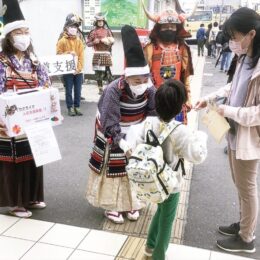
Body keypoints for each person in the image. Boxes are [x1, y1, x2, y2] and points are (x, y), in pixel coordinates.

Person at [195, 7, 260, 253]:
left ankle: (247, 239)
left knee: (247, 187)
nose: (232, 41)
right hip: (234, 132)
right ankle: (244, 224)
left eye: (235, 36)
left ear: (251, 34)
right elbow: (232, 88)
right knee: (240, 185)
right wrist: (209, 99)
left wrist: (228, 112)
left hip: (249, 136)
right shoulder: (245, 58)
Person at [126, 79, 208, 260]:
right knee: (167, 223)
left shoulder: (148, 123)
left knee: (160, 212)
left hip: (152, 181)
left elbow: (135, 145)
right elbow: (198, 156)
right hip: (171, 185)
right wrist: (201, 137)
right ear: (180, 107)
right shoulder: (181, 131)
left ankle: (149, 247)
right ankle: (158, 256)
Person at [86, 25, 156, 224]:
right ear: (126, 78)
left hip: (137, 130)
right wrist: (121, 142)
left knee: (135, 167)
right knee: (114, 168)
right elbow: (109, 121)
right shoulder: (113, 90)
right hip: (112, 129)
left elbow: (153, 113)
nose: (141, 83)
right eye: (136, 80)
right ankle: (112, 206)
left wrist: (145, 135)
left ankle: (133, 202)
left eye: (144, 79)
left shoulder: (150, 89)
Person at [0, 0, 51, 218]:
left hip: (33, 117)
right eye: (19, 32)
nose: (24, 36)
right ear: (9, 37)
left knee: (34, 157)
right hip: (10, 119)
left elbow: (46, 84)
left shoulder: (35, 60)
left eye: (26, 31)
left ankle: (31, 196)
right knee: (14, 161)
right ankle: (15, 203)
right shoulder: (2, 61)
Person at [142, 0, 194, 124]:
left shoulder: (182, 48)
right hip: (154, 98)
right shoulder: (150, 48)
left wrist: (188, 98)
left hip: (176, 98)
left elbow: (185, 77)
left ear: (177, 28)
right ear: (159, 28)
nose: (169, 29)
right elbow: (144, 75)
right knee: (154, 135)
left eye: (172, 26)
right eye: (165, 26)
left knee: (176, 135)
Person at [56, 13, 84, 116]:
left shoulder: (79, 41)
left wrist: (79, 68)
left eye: (75, 27)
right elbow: (58, 54)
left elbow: (81, 56)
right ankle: (70, 107)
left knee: (78, 90)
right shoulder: (62, 41)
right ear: (66, 27)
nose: (73, 29)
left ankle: (77, 107)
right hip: (67, 71)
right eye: (71, 26)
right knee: (68, 90)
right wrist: (67, 53)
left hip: (78, 71)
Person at [87, 13, 114, 95]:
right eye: (99, 21)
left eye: (102, 21)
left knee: (108, 71)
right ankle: (100, 89)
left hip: (106, 53)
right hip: (97, 54)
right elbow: (88, 43)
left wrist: (108, 42)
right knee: (98, 73)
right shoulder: (93, 32)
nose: (100, 22)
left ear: (104, 21)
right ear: (96, 22)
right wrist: (94, 42)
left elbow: (112, 42)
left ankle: (110, 88)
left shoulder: (108, 31)